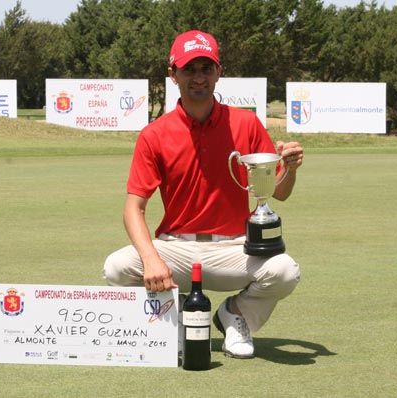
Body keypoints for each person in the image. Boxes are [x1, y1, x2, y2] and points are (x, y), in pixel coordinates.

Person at [103, 30, 303, 359]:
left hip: (236, 247)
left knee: (285, 271)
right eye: (189, 69)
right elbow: (133, 207)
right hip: (175, 248)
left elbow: (277, 194)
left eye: (206, 69)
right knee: (117, 267)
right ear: (173, 74)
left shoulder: (246, 124)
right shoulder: (154, 134)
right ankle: (174, 318)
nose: (198, 78)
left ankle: (236, 314)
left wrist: (291, 169)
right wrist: (152, 258)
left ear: (218, 72)